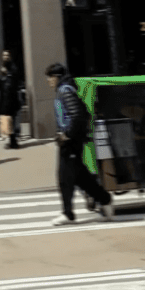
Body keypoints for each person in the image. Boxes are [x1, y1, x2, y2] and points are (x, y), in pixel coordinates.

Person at [46, 62, 112, 225]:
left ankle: (68, 213)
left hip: (70, 141)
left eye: (50, 77)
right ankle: (105, 200)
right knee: (80, 177)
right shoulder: (66, 89)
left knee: (65, 177)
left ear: (57, 77)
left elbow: (76, 115)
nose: (48, 81)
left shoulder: (65, 91)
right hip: (71, 140)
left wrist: (66, 135)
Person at [0, 49, 21, 150]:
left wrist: (6, 74)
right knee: (8, 122)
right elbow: (1, 85)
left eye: (7, 55)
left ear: (10, 57)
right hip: (5, 100)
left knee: (12, 122)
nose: (5, 57)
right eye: (4, 55)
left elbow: (12, 84)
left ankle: (14, 143)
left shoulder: (12, 68)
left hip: (11, 100)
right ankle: (12, 142)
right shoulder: (4, 68)